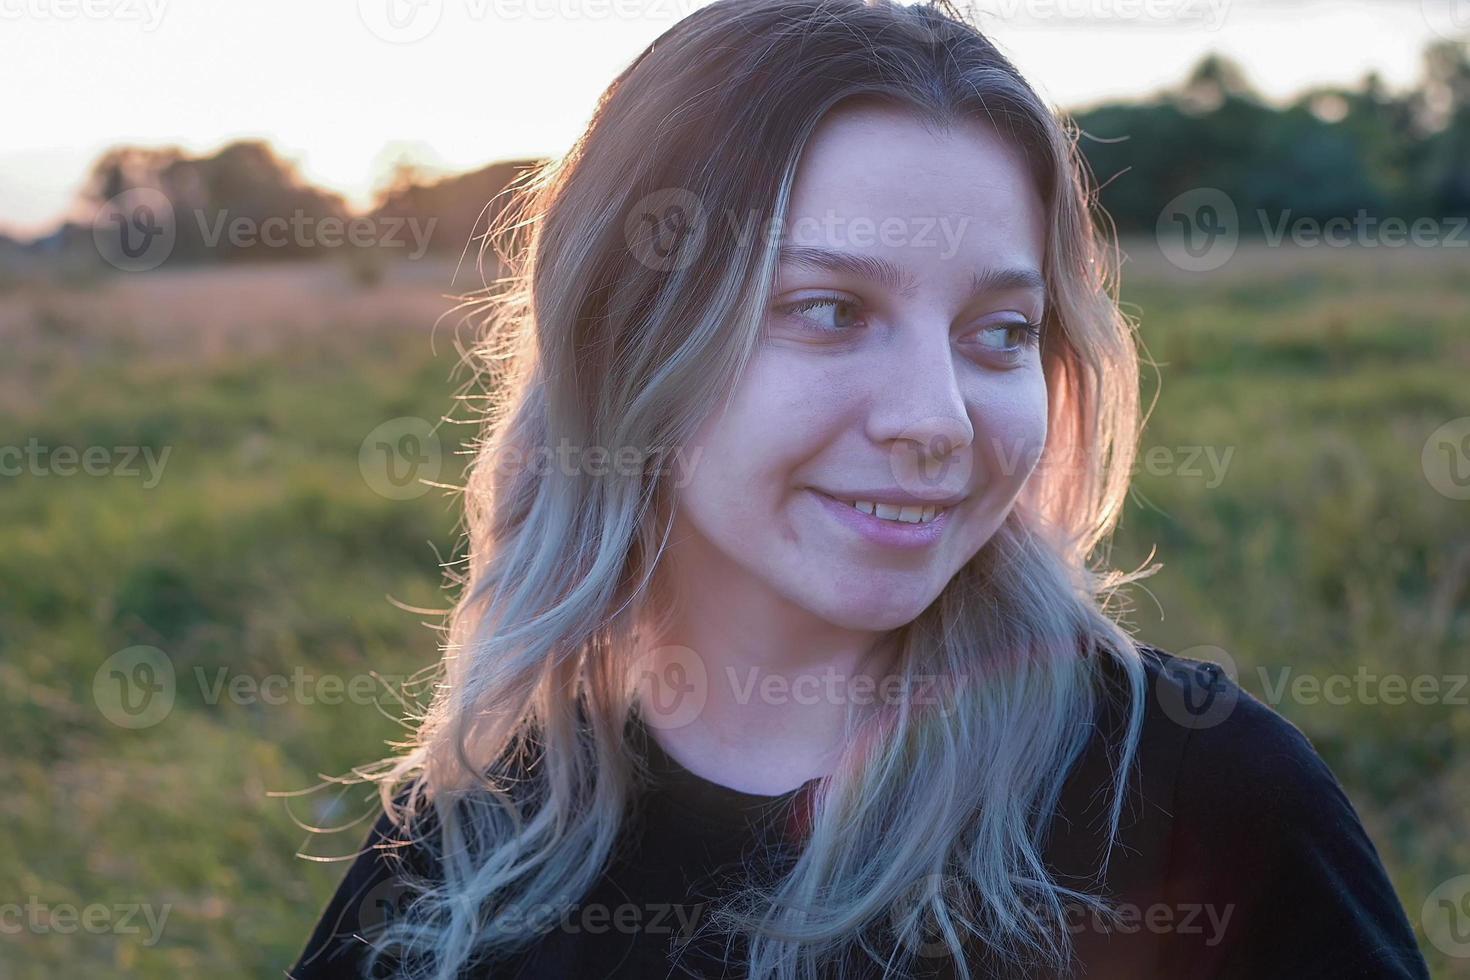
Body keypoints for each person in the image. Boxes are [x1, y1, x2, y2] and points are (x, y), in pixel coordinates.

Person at [290, 0, 1431, 976]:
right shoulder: (467, 854)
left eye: (1000, 331)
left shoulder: (1211, 803)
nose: (935, 418)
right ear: (626, 341)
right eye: (830, 309)